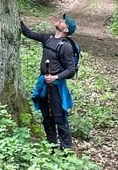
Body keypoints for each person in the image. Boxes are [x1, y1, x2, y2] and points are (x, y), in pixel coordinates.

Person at [20, 13, 77, 150]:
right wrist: (19, 21)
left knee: (59, 117)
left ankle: (66, 148)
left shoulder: (66, 46)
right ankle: (51, 145)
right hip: (43, 84)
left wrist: (55, 77)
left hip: (56, 86)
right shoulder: (48, 38)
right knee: (46, 116)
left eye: (64, 22)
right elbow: (29, 33)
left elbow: (71, 69)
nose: (60, 20)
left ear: (66, 30)